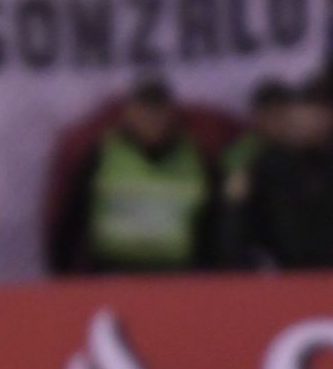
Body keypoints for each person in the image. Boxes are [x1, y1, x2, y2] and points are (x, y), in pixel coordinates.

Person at [47, 79, 212, 274]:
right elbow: (72, 216)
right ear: (129, 114)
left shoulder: (193, 158)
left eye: (158, 115)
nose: (152, 123)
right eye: (144, 115)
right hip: (112, 271)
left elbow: (211, 219)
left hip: (177, 274)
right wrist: (62, 273)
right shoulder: (102, 155)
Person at [219, 81, 333, 269]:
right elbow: (247, 228)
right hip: (285, 276)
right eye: (310, 111)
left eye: (323, 111)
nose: (315, 119)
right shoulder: (269, 165)